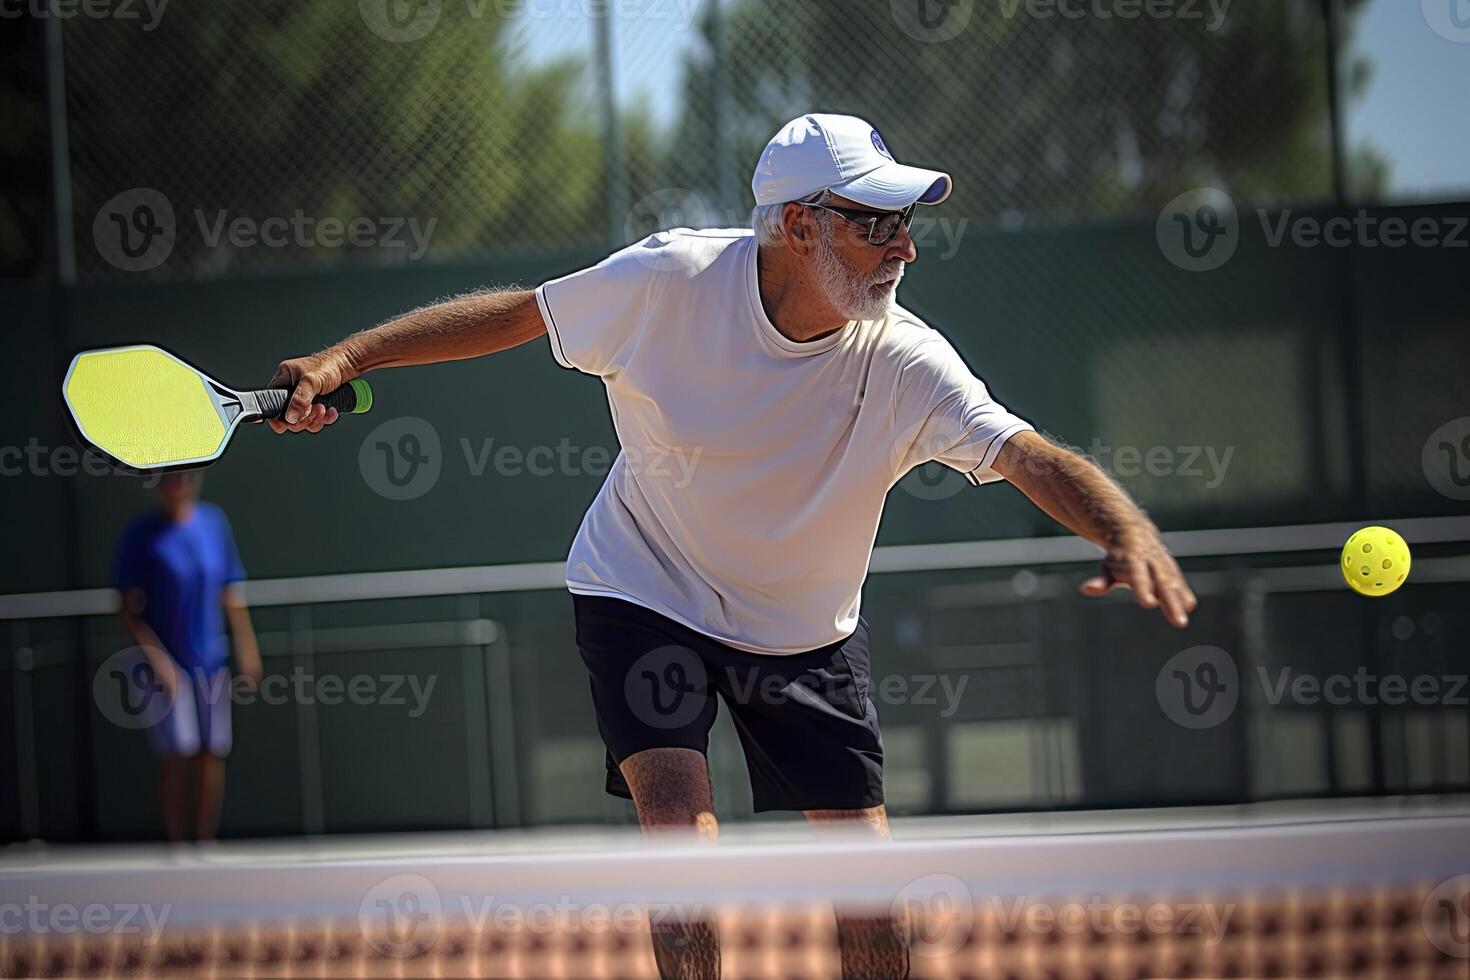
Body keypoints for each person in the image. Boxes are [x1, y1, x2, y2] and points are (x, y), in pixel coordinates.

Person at [266, 113, 1197, 978]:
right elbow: (520, 314)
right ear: (800, 224)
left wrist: (1123, 525)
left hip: (805, 632)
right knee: (684, 844)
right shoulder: (668, 283)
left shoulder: (907, 359)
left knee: (866, 878)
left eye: (907, 223)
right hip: (643, 591)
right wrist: (348, 359)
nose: (905, 247)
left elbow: (1023, 452)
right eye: (878, 223)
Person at [114, 470, 262, 842]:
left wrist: (247, 650)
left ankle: (203, 844)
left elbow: (230, 591)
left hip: (210, 658)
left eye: (185, 478)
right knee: (177, 753)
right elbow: (128, 609)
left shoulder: (214, 523)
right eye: (168, 479)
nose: (177, 486)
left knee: (211, 752)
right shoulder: (141, 533)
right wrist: (159, 661)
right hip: (165, 664)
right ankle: (176, 846)